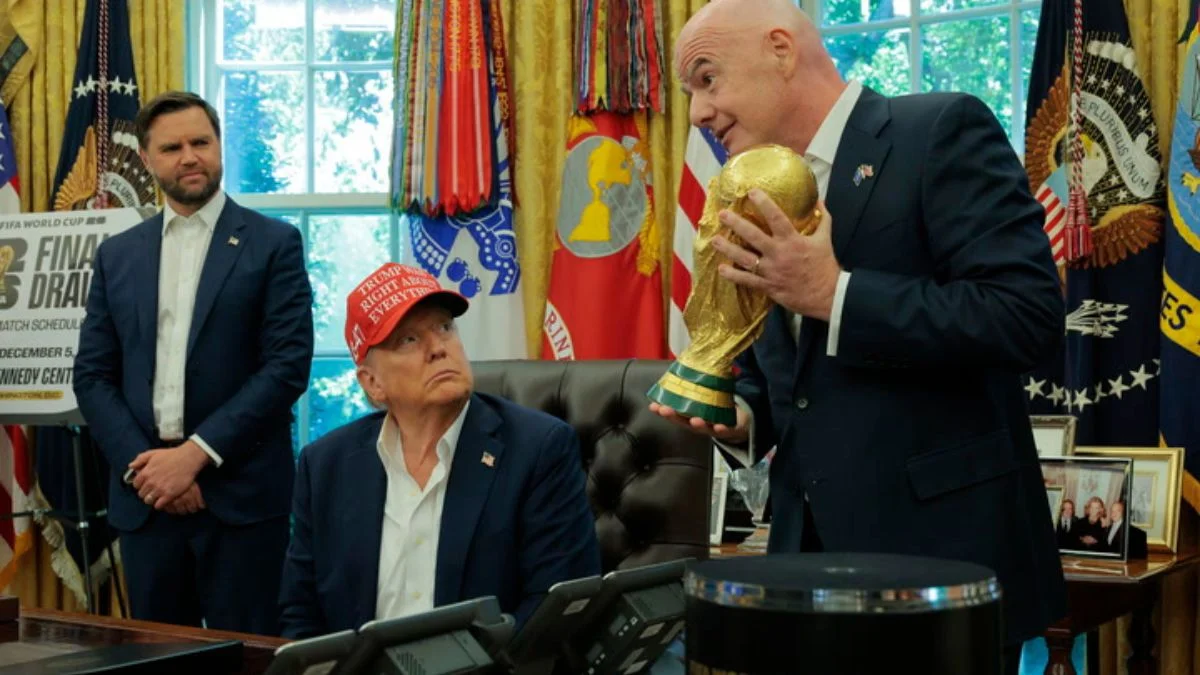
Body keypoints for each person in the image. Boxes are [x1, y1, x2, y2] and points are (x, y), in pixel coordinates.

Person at [653, 0, 1066, 669]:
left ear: (782, 49)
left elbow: (1028, 315)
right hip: (804, 572)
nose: (697, 112)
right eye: (689, 92)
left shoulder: (938, 130)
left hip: (940, 569)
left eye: (707, 79)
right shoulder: (751, 192)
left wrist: (835, 293)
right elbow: (791, 374)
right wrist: (743, 414)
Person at [73, 91, 314, 634]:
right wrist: (150, 467)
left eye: (200, 142)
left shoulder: (273, 243)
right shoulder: (118, 254)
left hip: (242, 498)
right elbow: (91, 375)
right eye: (173, 147)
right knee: (157, 661)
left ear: (219, 147)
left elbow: (287, 366)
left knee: (251, 658)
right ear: (148, 159)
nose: (189, 156)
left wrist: (195, 457)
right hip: (146, 500)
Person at [277, 263, 601, 639]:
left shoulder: (538, 448)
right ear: (372, 383)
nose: (438, 349)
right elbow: (300, 614)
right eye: (408, 340)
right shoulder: (326, 465)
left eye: (445, 327)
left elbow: (554, 608)